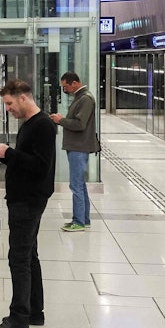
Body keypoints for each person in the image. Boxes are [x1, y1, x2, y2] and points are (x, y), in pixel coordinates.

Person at [0, 79, 56, 328]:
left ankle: (18, 318)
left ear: (23, 98)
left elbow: (40, 166)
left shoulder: (43, 126)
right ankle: (34, 311)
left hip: (28, 200)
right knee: (29, 256)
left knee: (19, 258)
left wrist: (9, 153)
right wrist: (4, 156)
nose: (8, 109)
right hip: (24, 198)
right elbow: (26, 163)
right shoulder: (31, 125)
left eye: (9, 103)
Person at [51, 72, 99, 232]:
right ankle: (84, 219)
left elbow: (80, 124)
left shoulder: (85, 99)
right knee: (80, 185)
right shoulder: (81, 97)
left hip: (79, 147)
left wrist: (61, 121)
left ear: (74, 83)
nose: (64, 89)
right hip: (77, 146)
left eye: (65, 86)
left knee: (76, 185)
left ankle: (78, 221)